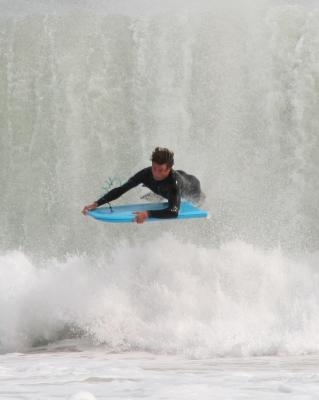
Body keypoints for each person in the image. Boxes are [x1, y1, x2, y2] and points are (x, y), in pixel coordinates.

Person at [82, 147, 204, 224]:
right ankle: (159, 194)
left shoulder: (174, 183)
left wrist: (148, 213)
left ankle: (202, 198)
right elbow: (122, 189)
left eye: (161, 170)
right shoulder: (146, 174)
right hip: (168, 189)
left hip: (192, 188)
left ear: (169, 169)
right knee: (160, 188)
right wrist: (96, 203)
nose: (156, 173)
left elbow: (173, 211)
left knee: (200, 201)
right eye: (154, 168)